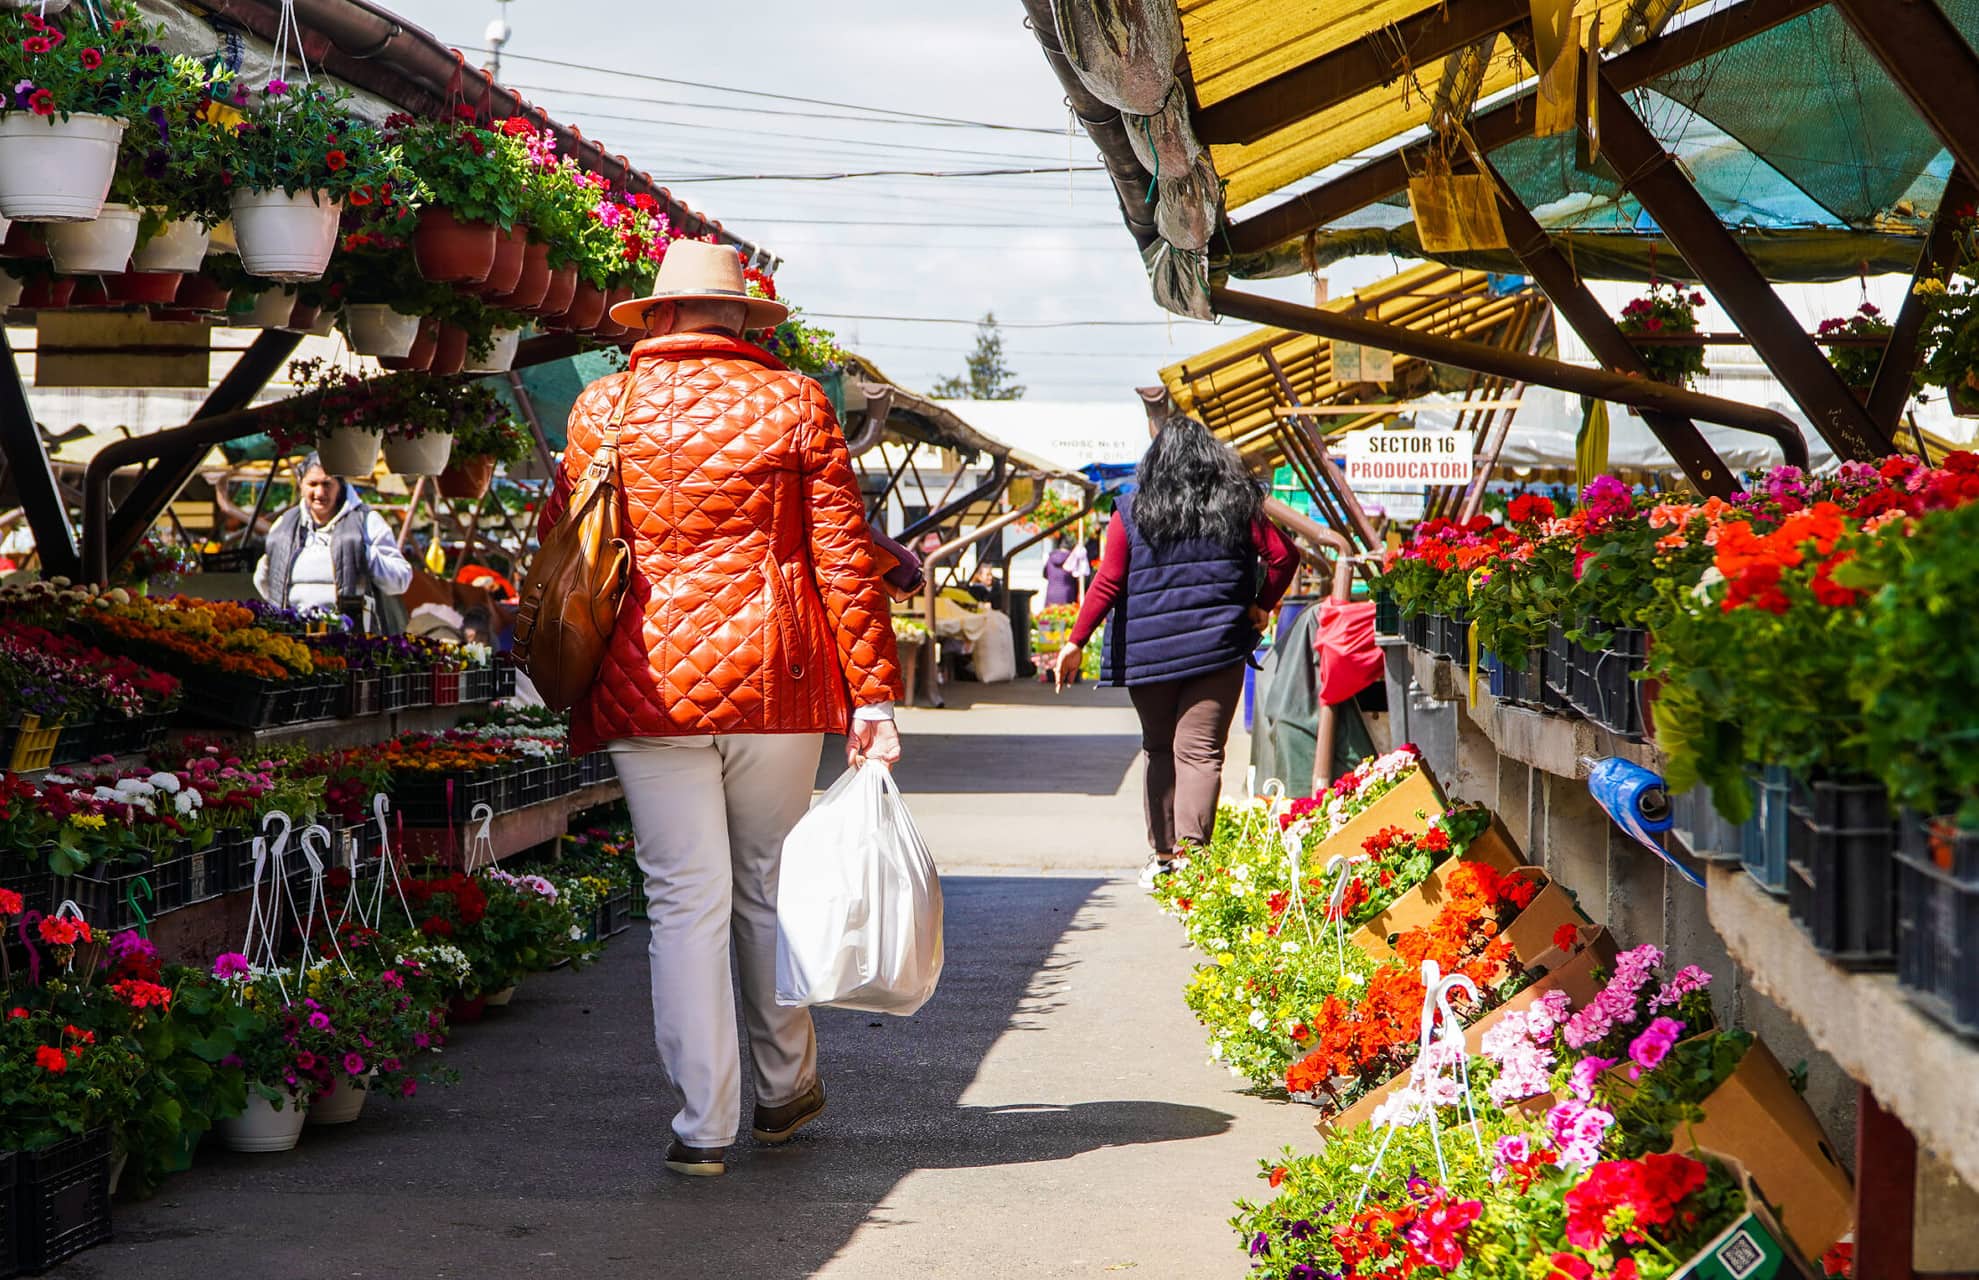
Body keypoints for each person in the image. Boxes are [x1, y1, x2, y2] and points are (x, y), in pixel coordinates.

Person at [539, 239, 904, 1180]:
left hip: (643, 680)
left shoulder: (602, 409)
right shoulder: (794, 403)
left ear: (654, 318)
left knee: (680, 902)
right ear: (743, 320)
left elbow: (566, 548)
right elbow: (843, 560)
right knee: (766, 887)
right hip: (776, 682)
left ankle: (703, 1123)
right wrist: (874, 699)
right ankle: (784, 1091)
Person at [1053, 416, 1298, 881]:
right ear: (1212, 460)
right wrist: (1261, 605)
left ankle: (1164, 856)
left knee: (1160, 749)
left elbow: (1108, 580)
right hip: (1217, 647)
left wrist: (1074, 641)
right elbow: (1285, 556)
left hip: (1148, 655)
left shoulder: (1132, 509)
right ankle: (1194, 862)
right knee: (1202, 753)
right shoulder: (1238, 505)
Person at [253, 453, 412, 630]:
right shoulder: (283, 526)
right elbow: (264, 581)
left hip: (350, 639)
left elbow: (400, 580)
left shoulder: (367, 522)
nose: (319, 492)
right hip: (292, 638)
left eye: (327, 484)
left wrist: (364, 553)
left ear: (340, 485)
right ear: (301, 485)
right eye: (313, 484)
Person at [1042, 531, 1081, 607]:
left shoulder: (1051, 557)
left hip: (1051, 593)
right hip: (1067, 594)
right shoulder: (1072, 559)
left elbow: (1045, 574)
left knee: (1050, 616)